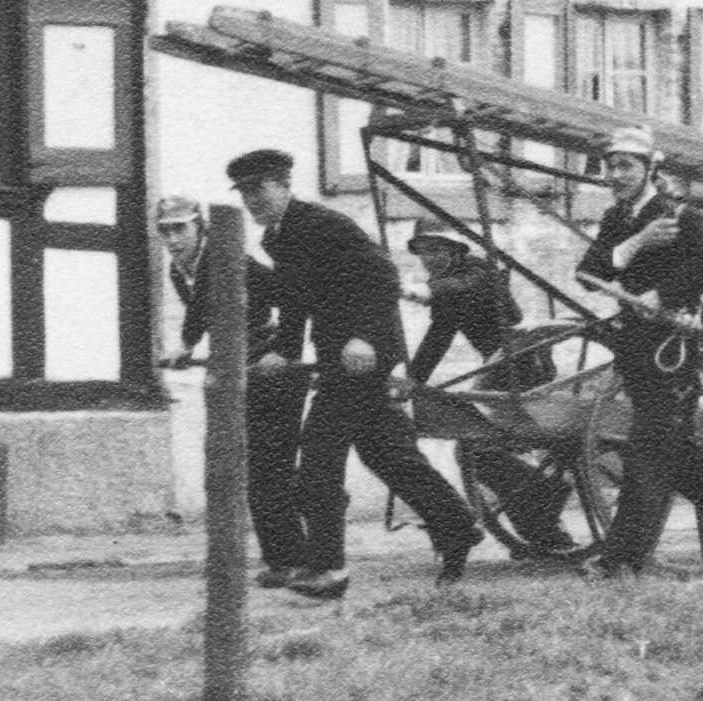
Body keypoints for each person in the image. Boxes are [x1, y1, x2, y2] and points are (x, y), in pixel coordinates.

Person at [227, 148, 483, 599]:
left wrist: (363, 337)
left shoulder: (325, 225)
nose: (253, 201)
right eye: (245, 193)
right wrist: (285, 352)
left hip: (365, 358)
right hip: (337, 357)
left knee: (318, 458)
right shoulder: (277, 239)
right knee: (386, 452)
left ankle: (330, 570)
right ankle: (458, 524)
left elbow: (382, 277)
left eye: (260, 189)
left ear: (284, 185)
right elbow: (293, 303)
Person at [574, 126, 703, 579]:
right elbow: (587, 272)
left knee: (646, 450)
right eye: (611, 166)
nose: (616, 175)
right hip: (635, 347)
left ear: (650, 170)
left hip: (673, 350)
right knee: (676, 456)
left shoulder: (678, 213)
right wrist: (636, 244)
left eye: (626, 166)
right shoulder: (617, 219)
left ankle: (621, 557)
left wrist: (664, 295)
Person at [155, 196, 309, 588]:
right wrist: (187, 347)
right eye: (165, 230)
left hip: (270, 365)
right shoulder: (180, 269)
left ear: (200, 227)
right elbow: (198, 311)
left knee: (267, 469)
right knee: (257, 468)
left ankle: (293, 559)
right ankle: (288, 556)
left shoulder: (224, 260)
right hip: (239, 365)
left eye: (181, 228)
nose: (172, 239)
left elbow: (292, 296)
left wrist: (283, 350)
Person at [403, 215, 576, 558]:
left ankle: (544, 507)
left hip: (526, 367)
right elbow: (438, 337)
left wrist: (426, 291)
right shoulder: (448, 279)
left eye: (435, 249)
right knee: (474, 449)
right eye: (422, 251)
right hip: (499, 367)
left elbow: (465, 287)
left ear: (455, 250)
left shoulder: (481, 271)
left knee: (478, 449)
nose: (427, 258)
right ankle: (542, 523)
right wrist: (412, 382)